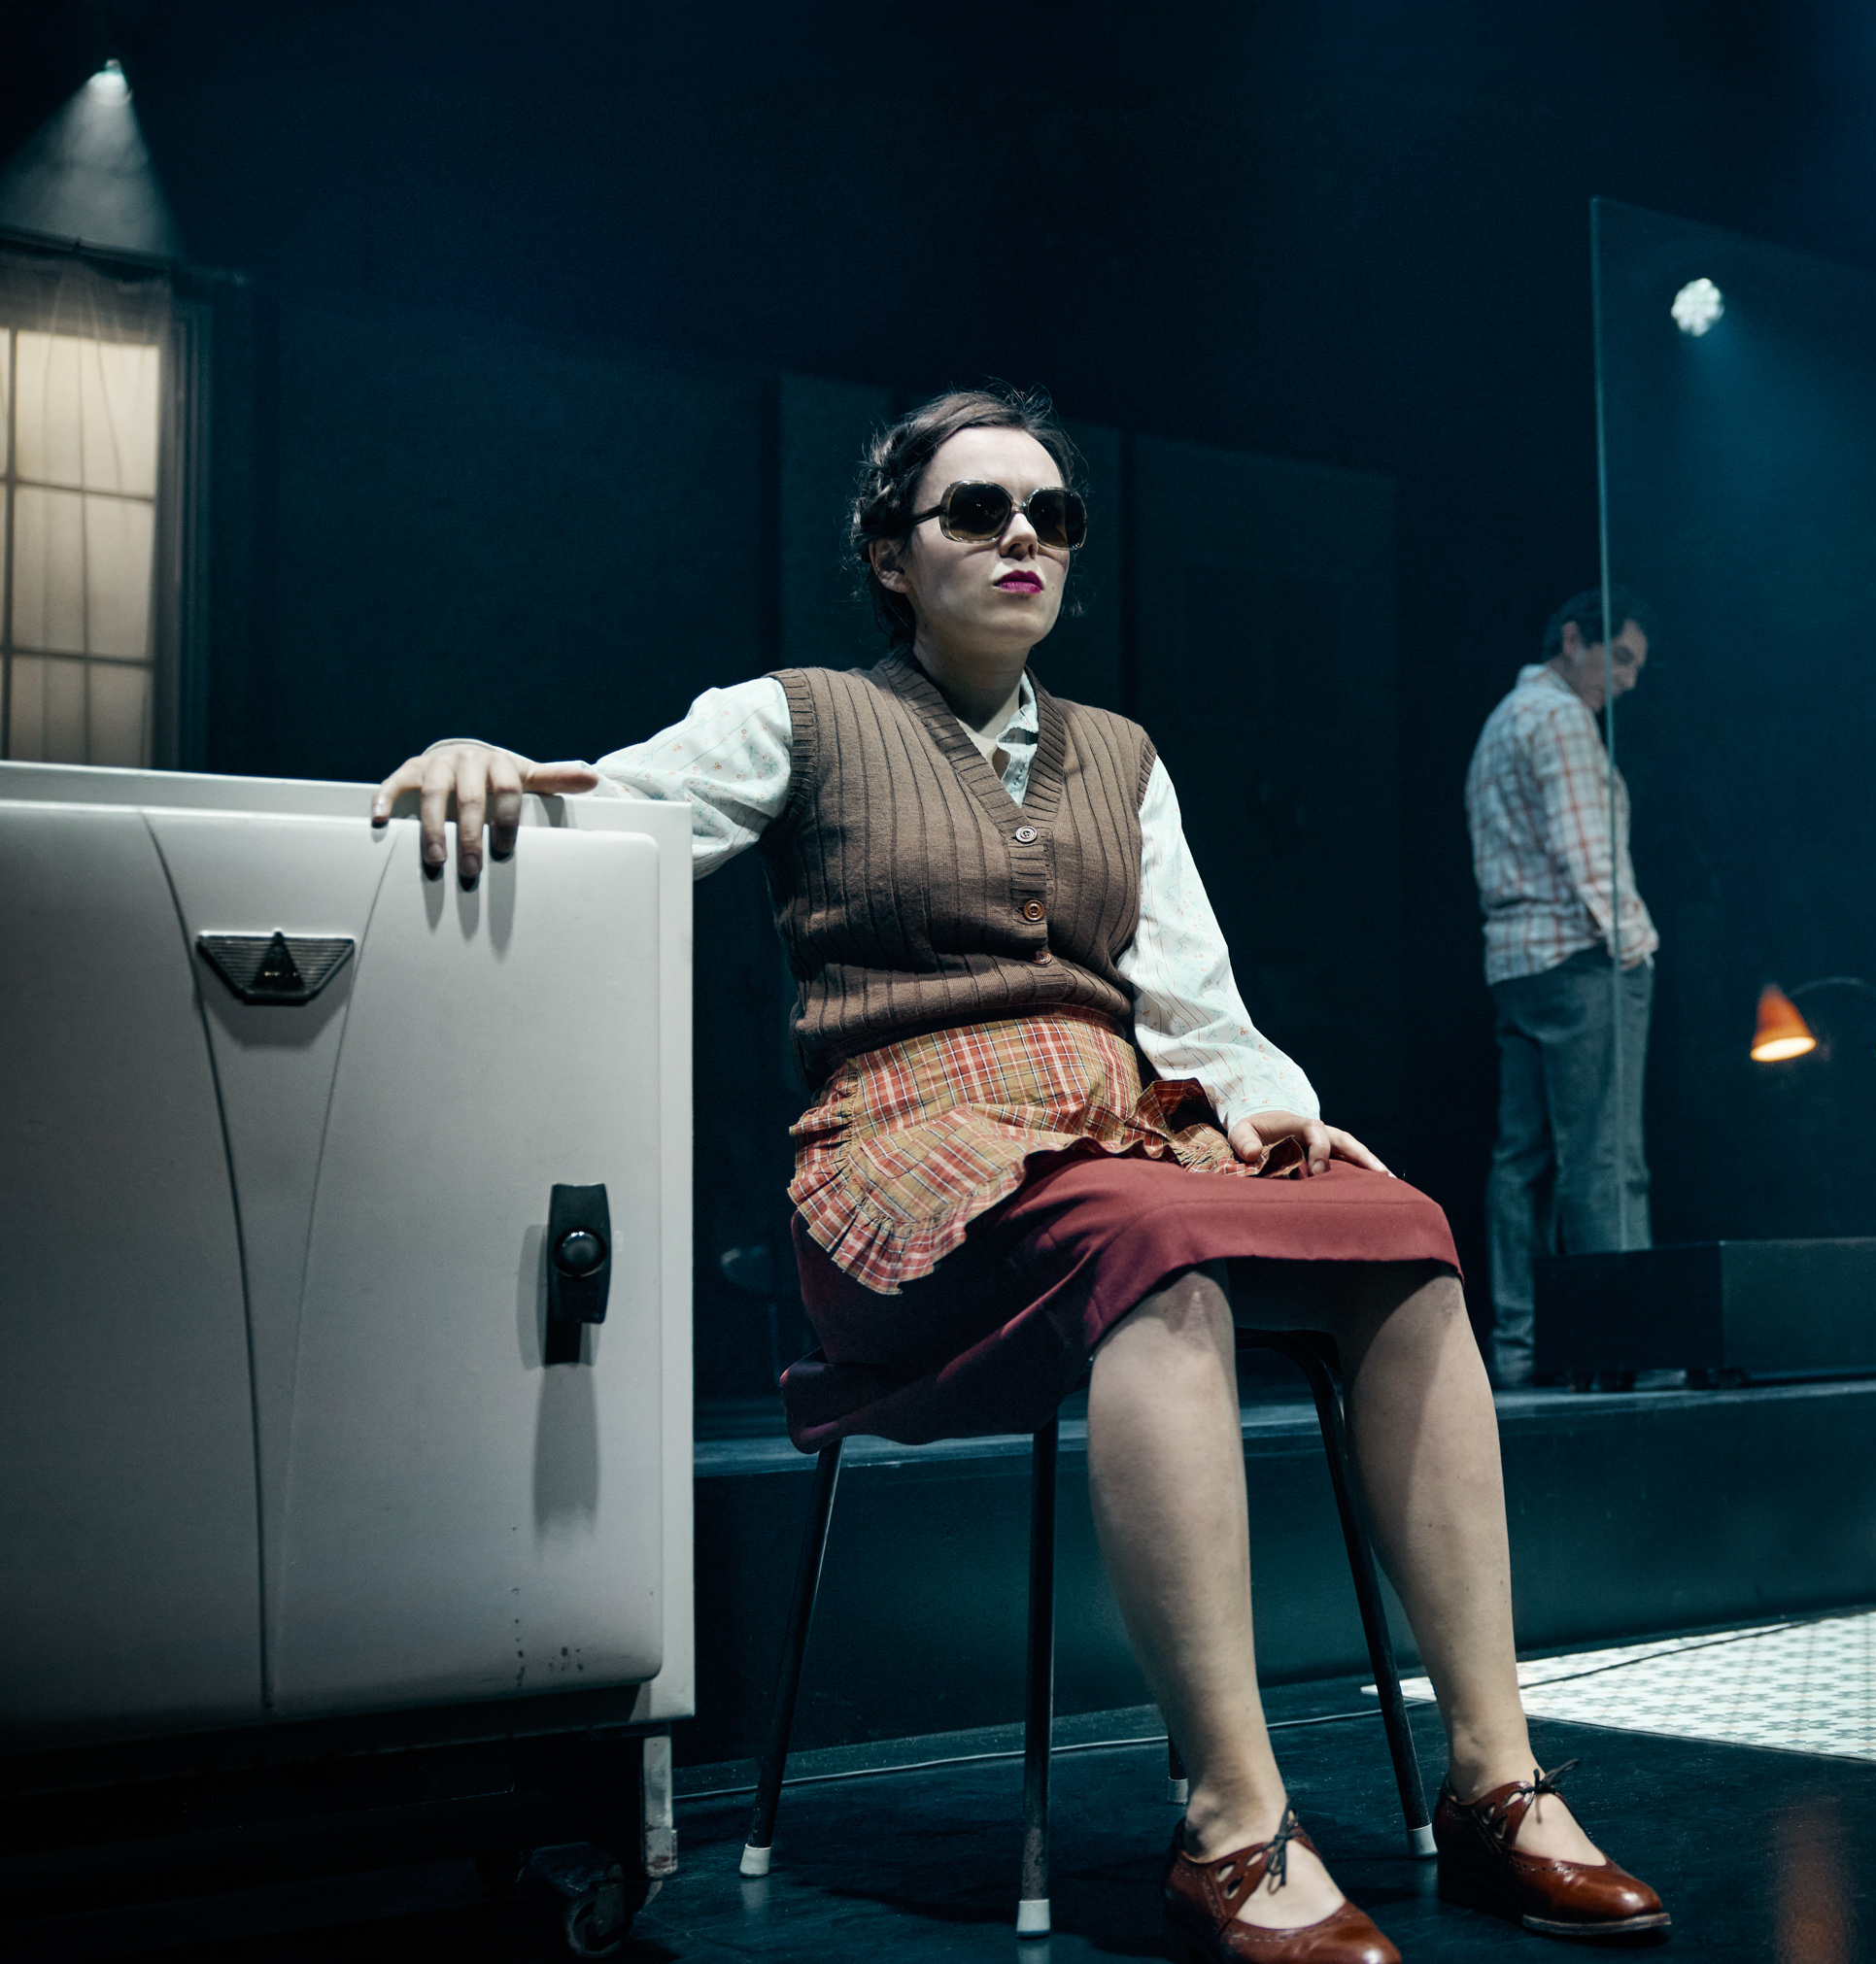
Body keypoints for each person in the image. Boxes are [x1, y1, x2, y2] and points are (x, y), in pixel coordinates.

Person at [369, 389, 1666, 1960]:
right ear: (891, 554)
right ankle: (1232, 1824)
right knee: (1157, 1245)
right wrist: (493, 767)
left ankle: (1495, 1783)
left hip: (1121, 1130)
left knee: (1401, 1228)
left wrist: (1278, 1115)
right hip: (906, 1160)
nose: (1023, 538)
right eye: (977, 510)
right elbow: (613, 811)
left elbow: (1196, 1005)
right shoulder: (798, 718)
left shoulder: (1122, 759)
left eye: (1053, 514)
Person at [1464, 590, 1658, 1390]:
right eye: (1621, 657)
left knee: (1524, 1160)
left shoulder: (1502, 721)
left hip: (1517, 964)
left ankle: (1523, 1345)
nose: (1629, 679)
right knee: (1605, 1157)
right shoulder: (1560, 719)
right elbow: (1590, 852)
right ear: (1574, 639)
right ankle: (1624, 1344)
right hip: (1580, 961)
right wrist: (1634, 945)